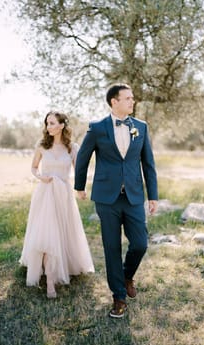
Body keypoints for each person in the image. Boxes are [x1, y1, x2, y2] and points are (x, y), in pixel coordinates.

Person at [74, 83, 158, 318]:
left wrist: (153, 195)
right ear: (114, 101)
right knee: (112, 247)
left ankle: (126, 275)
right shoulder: (97, 128)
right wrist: (79, 186)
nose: (133, 102)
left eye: (133, 98)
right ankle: (118, 296)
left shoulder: (140, 127)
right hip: (106, 198)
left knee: (140, 243)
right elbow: (83, 157)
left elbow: (148, 164)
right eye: (128, 98)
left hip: (133, 197)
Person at [19, 111, 95, 298]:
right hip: (45, 194)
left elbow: (79, 170)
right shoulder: (42, 145)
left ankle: (63, 265)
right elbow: (34, 167)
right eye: (47, 123)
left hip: (64, 195)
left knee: (62, 231)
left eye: (52, 123)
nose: (48, 126)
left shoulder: (72, 148)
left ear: (62, 125)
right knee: (47, 233)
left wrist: (80, 189)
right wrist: (40, 177)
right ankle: (50, 281)